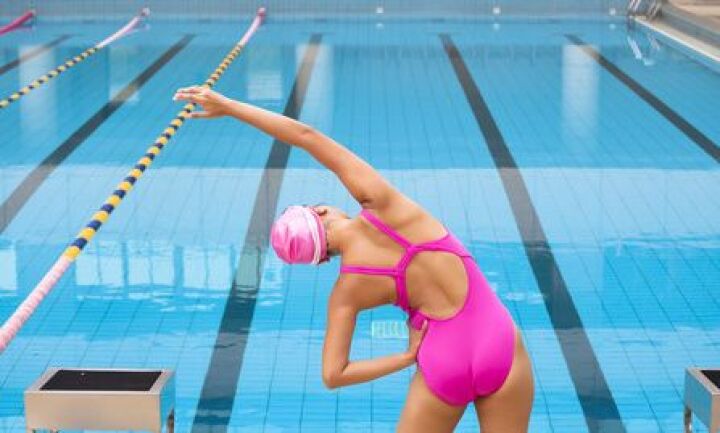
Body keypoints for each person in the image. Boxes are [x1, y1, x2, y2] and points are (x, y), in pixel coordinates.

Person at [173, 86, 534, 433]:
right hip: (497, 341)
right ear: (320, 210)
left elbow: (334, 375)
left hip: (443, 360)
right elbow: (305, 135)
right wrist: (229, 106)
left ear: (320, 259)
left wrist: (406, 358)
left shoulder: (347, 292)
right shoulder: (383, 204)